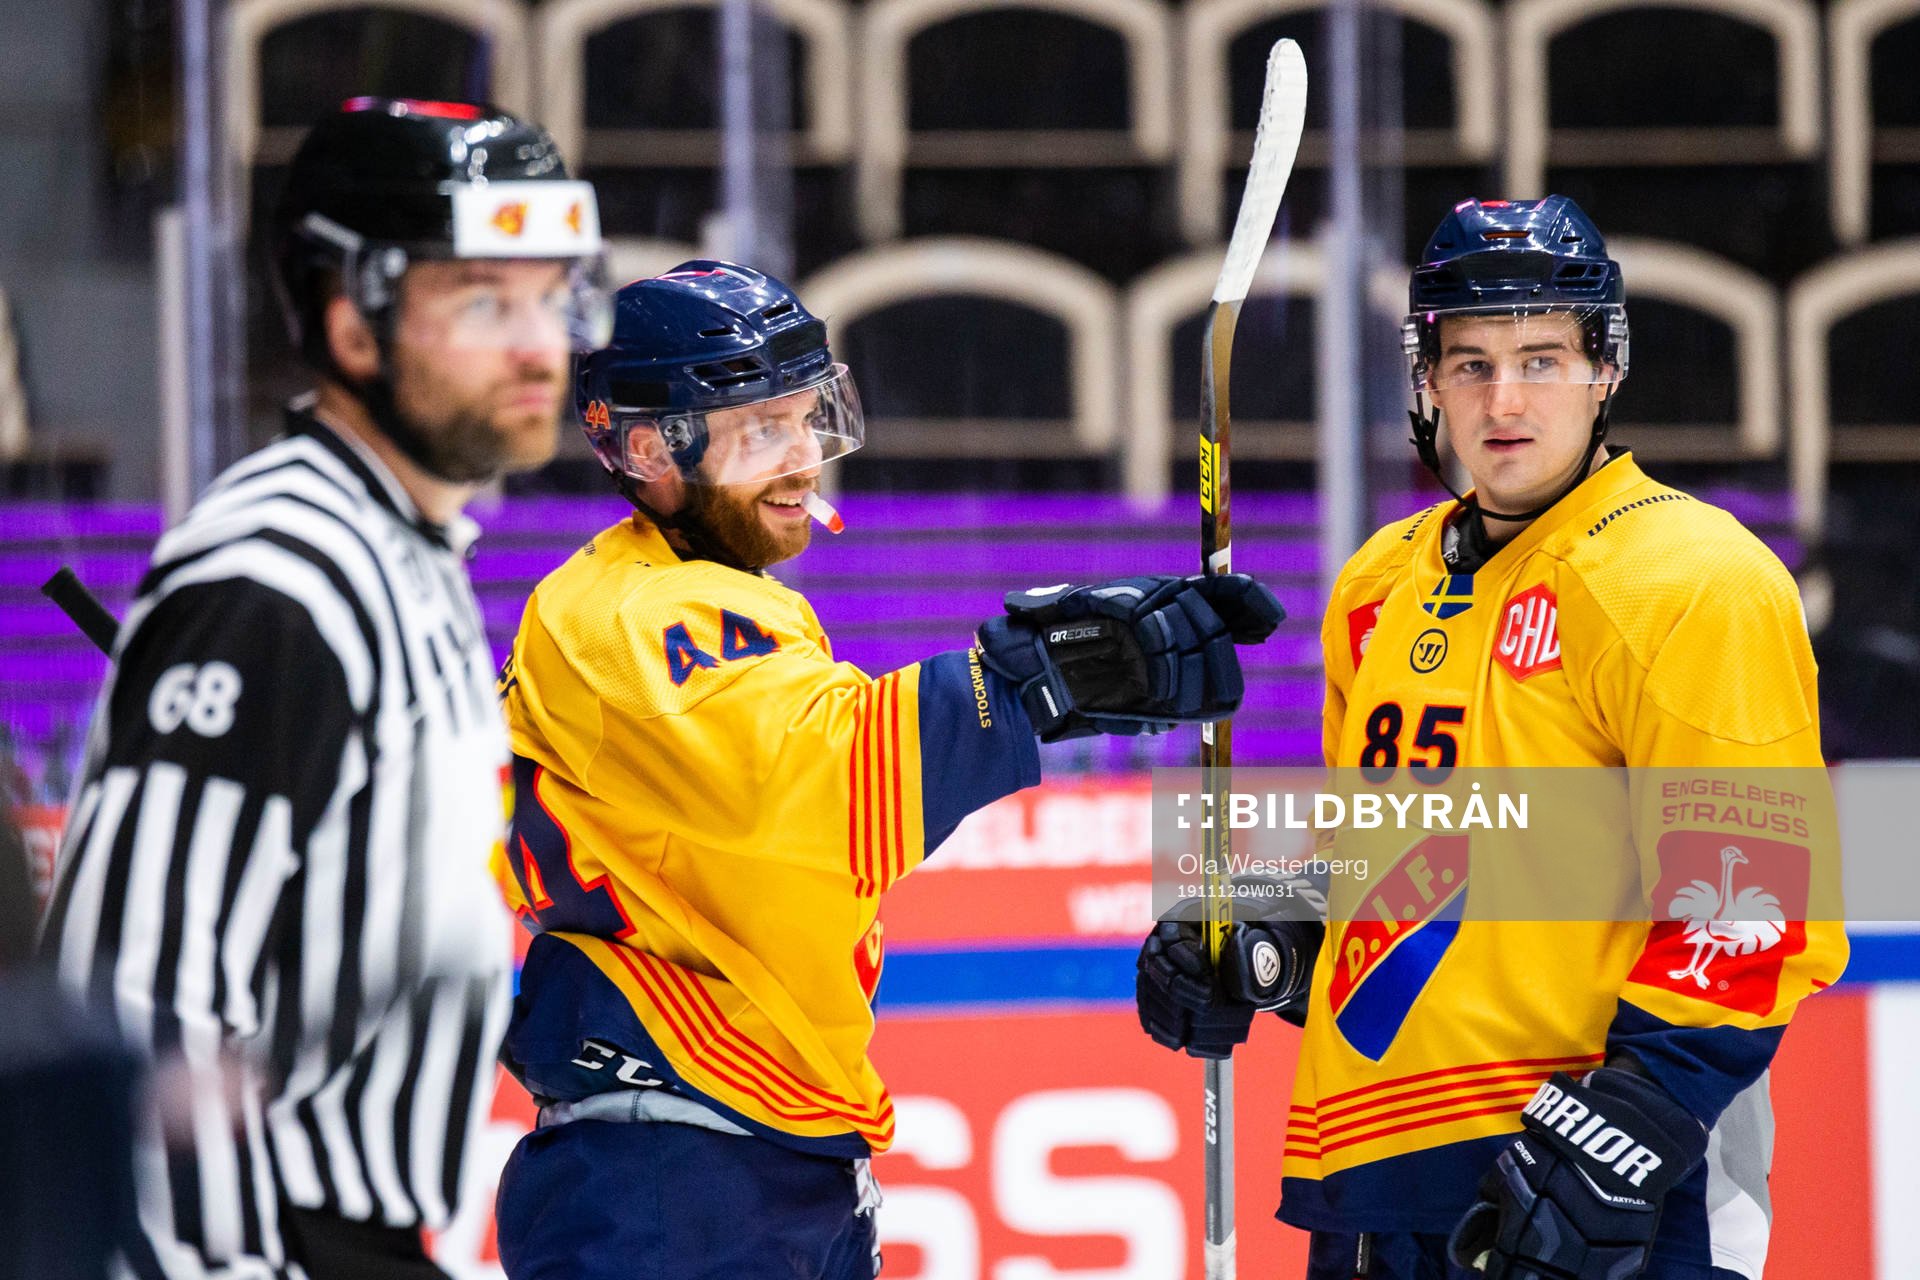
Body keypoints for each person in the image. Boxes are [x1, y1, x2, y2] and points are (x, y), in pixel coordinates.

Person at [488, 261, 1284, 1280]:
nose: (802, 461)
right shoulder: (635, 615)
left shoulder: (693, 594)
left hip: (745, 1151)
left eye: (808, 417)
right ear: (650, 448)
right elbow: (821, 781)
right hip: (675, 1174)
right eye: (759, 430)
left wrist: (1059, 684)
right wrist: (1037, 677)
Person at [1134, 195, 1846, 1280]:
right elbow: (1388, 869)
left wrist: (1622, 1135)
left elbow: (1749, 902)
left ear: (1605, 368)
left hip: (1590, 1186)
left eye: (1542, 358)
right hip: (1374, 1182)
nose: (1504, 399)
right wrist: (1267, 942)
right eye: (1469, 363)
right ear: (1427, 380)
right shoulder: (1380, 583)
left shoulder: (1692, 577)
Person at [38, 97, 611, 1279]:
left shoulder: (405, 553)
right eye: (482, 299)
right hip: (286, 1242)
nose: (540, 344)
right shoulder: (279, 577)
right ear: (354, 320)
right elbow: (140, 994)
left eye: (551, 294)